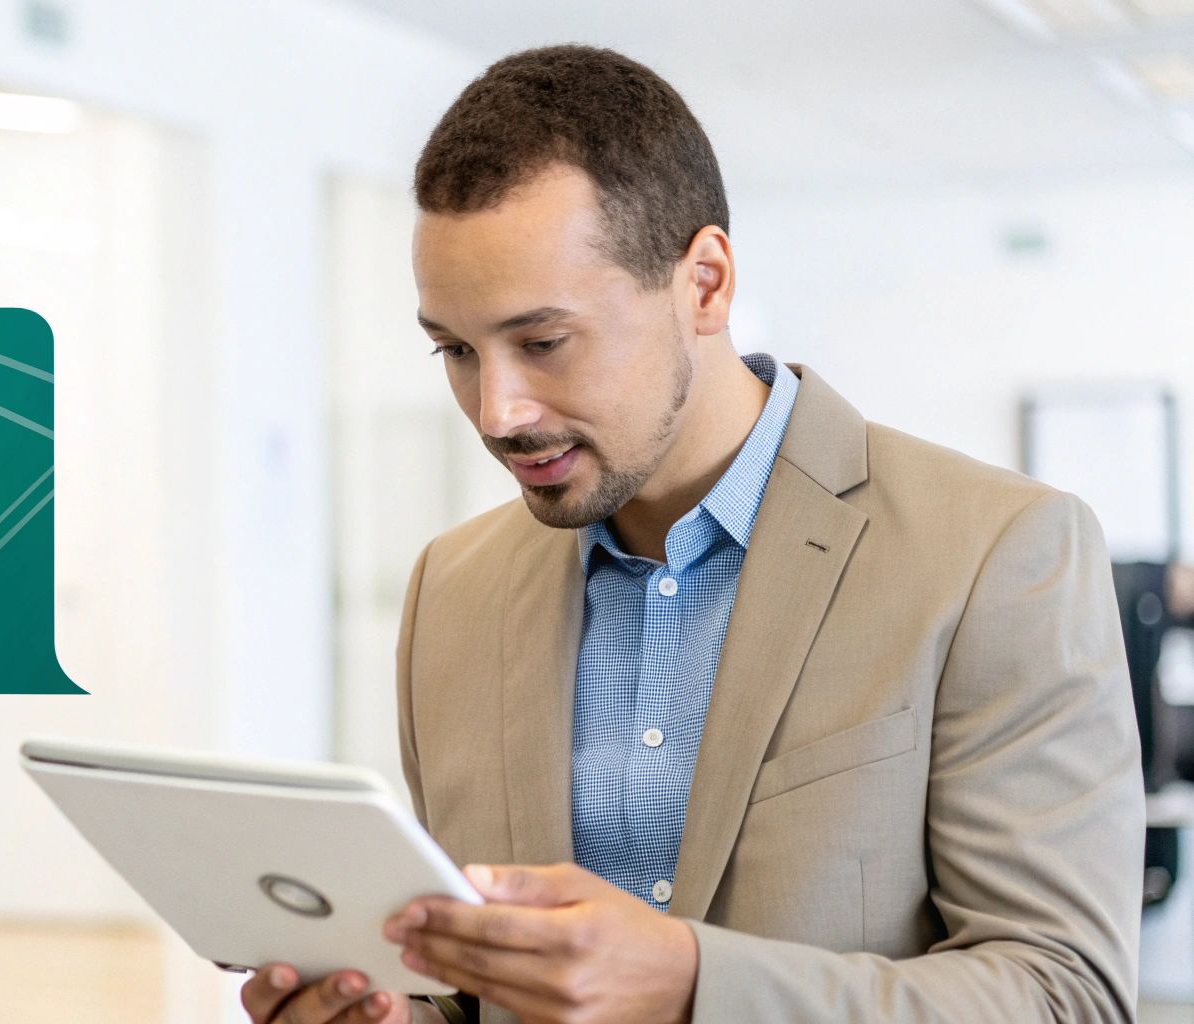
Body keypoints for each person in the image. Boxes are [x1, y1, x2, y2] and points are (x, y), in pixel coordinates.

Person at [239, 45, 1143, 1024]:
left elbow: (1065, 994)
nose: (496, 410)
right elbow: (476, 992)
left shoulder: (994, 554)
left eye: (542, 342)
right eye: (454, 350)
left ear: (703, 283)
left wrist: (689, 983)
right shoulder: (451, 588)